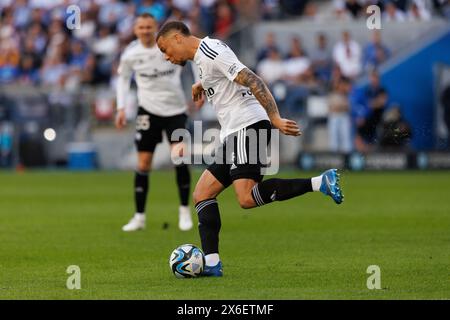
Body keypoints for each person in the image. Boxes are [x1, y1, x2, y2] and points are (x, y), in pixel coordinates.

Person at [156, 21, 344, 277]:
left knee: (246, 197)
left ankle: (320, 182)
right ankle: (212, 264)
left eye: (165, 49)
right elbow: (222, 76)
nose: (166, 57)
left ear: (177, 38)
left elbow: (252, 79)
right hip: (233, 132)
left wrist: (275, 117)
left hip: (248, 126)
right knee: (202, 193)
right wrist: (202, 84)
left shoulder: (211, 51)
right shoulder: (202, 58)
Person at [115, 13, 194, 232]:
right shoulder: (131, 53)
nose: (146, 31)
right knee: (143, 164)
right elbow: (122, 79)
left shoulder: (169, 45)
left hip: (176, 110)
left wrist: (200, 84)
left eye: (149, 27)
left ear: (156, 27)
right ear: (135, 30)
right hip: (147, 111)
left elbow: (193, 56)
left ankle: (184, 211)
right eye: (141, 27)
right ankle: (139, 217)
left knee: (179, 158)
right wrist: (121, 108)